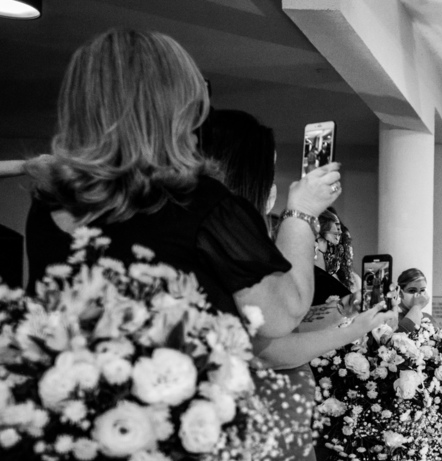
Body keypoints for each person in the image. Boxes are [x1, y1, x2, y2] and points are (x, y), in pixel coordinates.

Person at [23, 29, 341, 342]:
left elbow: (44, 325)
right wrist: (302, 213)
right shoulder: (200, 204)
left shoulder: (48, 204)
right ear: (174, 107)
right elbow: (283, 312)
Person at [198, 108, 392, 461]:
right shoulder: (228, 233)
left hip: (263, 429)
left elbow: (266, 342)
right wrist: (302, 212)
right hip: (257, 435)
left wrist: (350, 325)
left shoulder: (211, 232)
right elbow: (278, 327)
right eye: (269, 165)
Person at [395, 268, 437, 334]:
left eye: (422, 290)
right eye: (412, 291)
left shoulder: (428, 318)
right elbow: (402, 339)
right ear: (400, 292)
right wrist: (417, 306)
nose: (419, 296)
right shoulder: (391, 317)